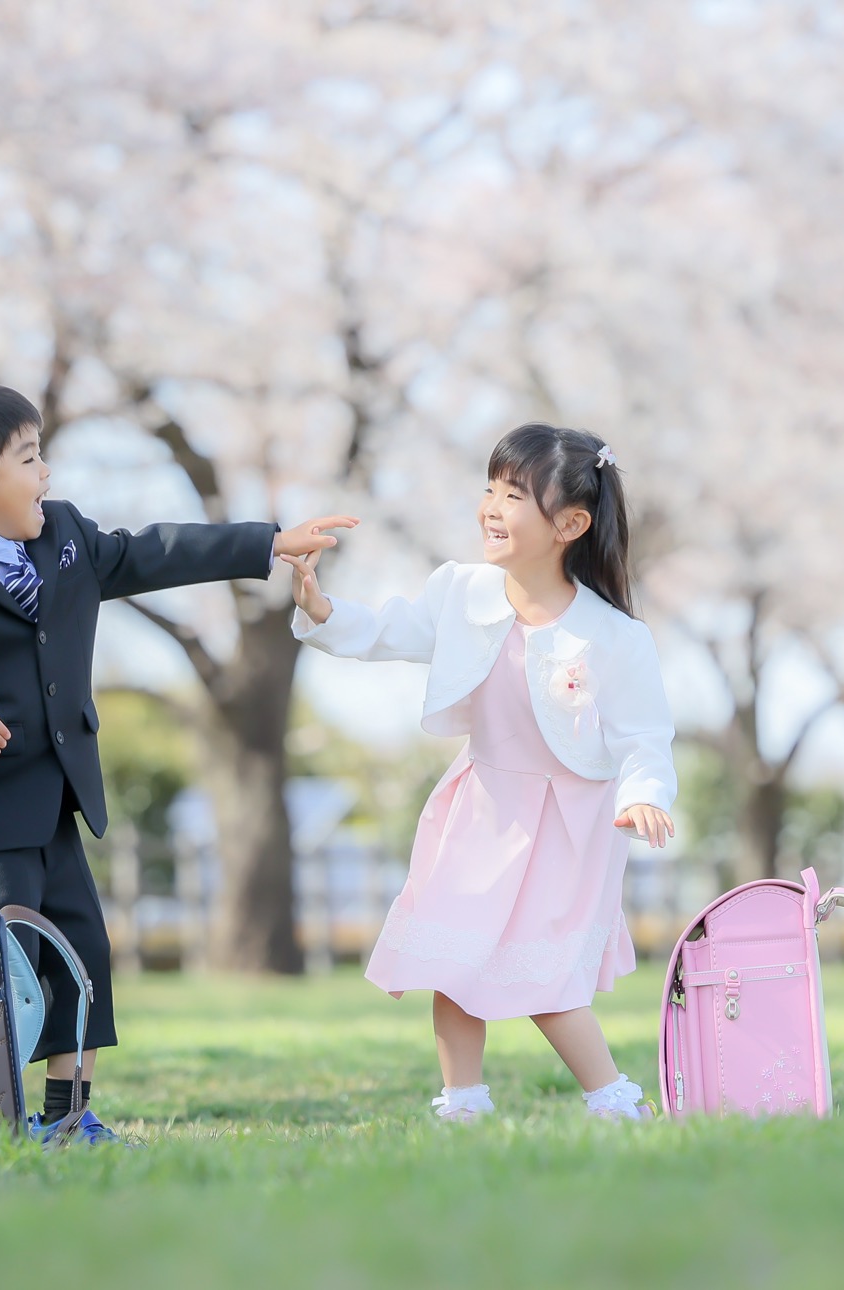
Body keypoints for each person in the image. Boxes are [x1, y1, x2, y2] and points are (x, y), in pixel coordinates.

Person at [0, 381, 354, 1144]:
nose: (47, 473)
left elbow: (152, 551)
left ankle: (67, 1118)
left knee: (81, 961)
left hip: (59, 801)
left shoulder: (64, 537)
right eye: (30, 458)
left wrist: (267, 543)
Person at [284, 423, 677, 1122]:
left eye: (514, 494)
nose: (492, 507)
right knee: (452, 956)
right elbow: (388, 630)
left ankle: (614, 1101)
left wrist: (645, 795)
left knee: (548, 973)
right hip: (484, 806)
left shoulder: (614, 637)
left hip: (568, 822)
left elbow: (645, 737)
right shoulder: (462, 592)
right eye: (490, 488)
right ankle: (462, 1103)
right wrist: (322, 610)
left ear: (570, 524)